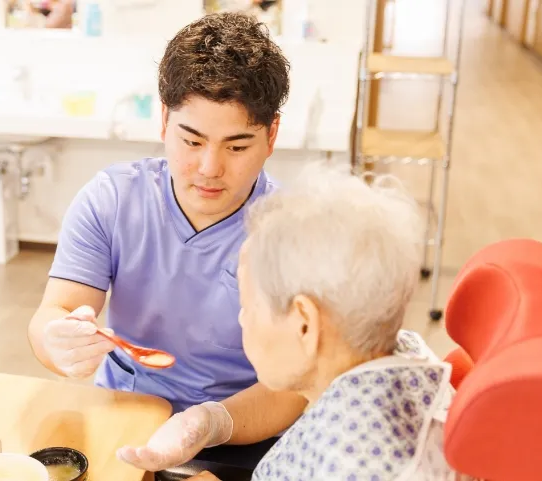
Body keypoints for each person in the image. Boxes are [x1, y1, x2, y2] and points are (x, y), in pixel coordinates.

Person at [27, 11, 307, 473]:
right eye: (192, 141)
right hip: (128, 416)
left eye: (237, 147)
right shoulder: (113, 200)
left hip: (241, 431)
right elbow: (51, 315)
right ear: (163, 120)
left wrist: (210, 424)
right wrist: (57, 342)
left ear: (271, 135)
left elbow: (294, 389)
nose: (210, 168)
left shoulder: (292, 231)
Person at [184, 164, 473, 481]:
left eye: (248, 306)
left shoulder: (353, 465)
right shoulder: (402, 354)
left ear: (304, 324)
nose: (242, 319)